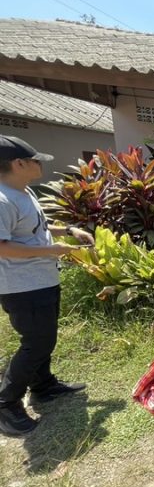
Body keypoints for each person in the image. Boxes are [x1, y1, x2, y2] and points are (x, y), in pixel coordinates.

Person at [0, 135, 93, 436]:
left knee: (44, 337)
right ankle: (6, 403)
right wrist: (52, 250)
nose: (40, 164)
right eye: (36, 160)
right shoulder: (2, 199)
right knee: (37, 341)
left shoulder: (22, 192)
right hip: (21, 286)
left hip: (41, 279)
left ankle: (43, 385)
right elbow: (2, 247)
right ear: (19, 163)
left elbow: (32, 228)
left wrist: (69, 229)